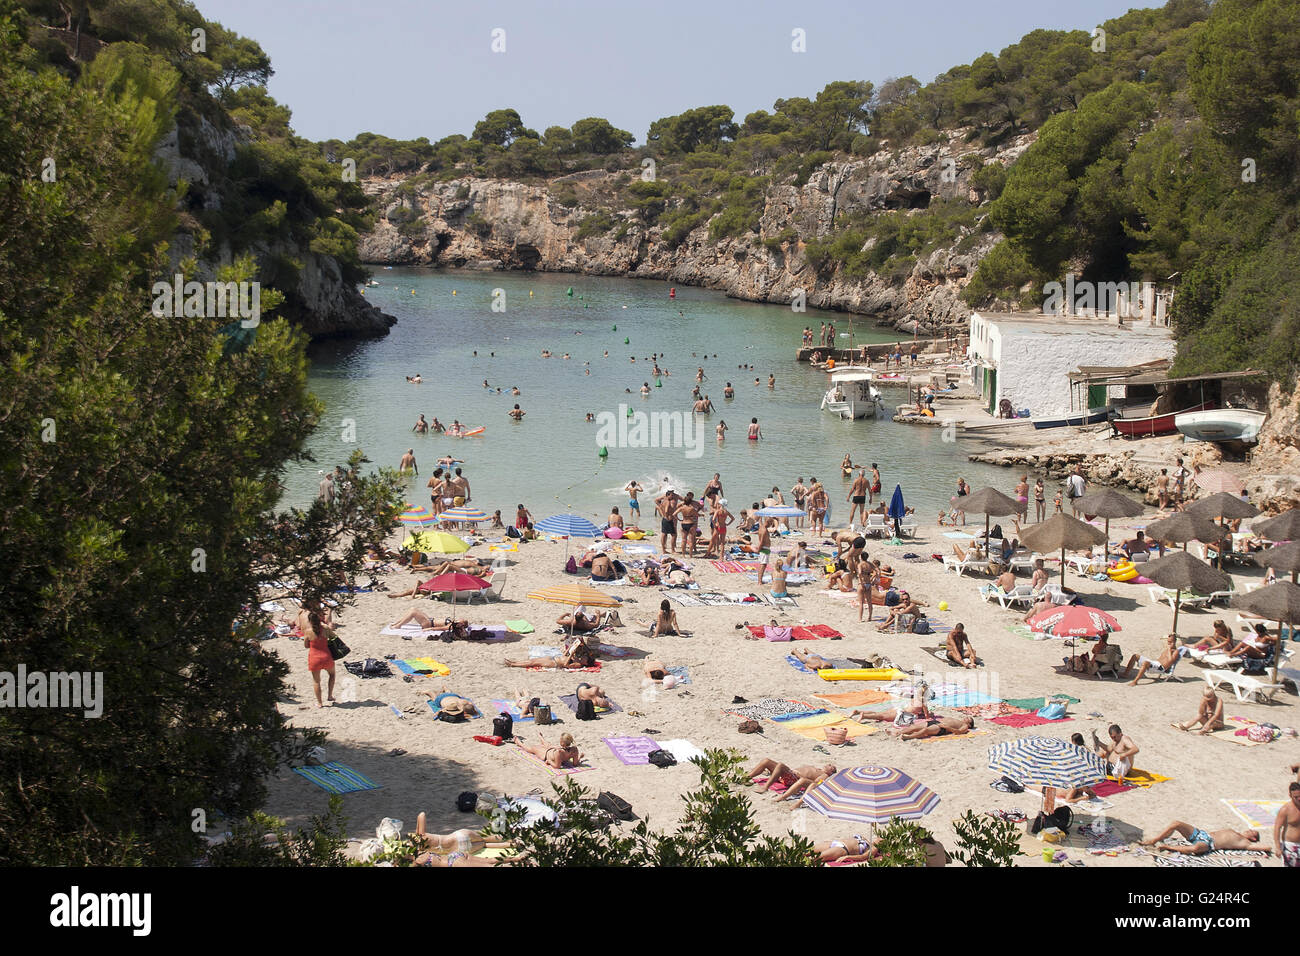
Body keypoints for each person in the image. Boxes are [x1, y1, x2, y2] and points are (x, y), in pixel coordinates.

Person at [1140, 822, 1263, 856]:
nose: (1249, 830)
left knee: (1196, 848)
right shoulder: (1236, 833)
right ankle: (1154, 840)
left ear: (1253, 838)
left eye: (1252, 832)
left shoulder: (1245, 843)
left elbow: (1266, 847)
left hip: (1208, 844)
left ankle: (1168, 847)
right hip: (1201, 834)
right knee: (1176, 824)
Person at [744, 758, 836, 802]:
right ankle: (746, 777)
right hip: (788, 775)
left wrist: (801, 781)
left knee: (780, 765)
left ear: (831, 772)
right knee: (766, 761)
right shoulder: (818, 769)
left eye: (831, 766)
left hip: (793, 779)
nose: (829, 764)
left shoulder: (824, 775)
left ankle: (765, 787)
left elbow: (814, 784)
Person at [304, 611, 336, 707]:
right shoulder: (325, 628)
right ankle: (330, 696)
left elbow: (306, 646)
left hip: (314, 658)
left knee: (316, 681)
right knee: (332, 675)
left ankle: (319, 702)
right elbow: (333, 636)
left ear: (310, 621)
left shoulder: (308, 631)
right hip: (326, 656)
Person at [505, 638, 596, 669]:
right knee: (532, 660)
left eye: (585, 658)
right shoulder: (578, 660)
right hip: (555, 658)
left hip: (554, 663)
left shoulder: (578, 664)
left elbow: (566, 664)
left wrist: (571, 654)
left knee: (533, 663)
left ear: (586, 663)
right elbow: (564, 656)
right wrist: (570, 648)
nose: (584, 657)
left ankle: (513, 664)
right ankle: (514, 662)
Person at [516, 732, 583, 770]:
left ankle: (519, 743)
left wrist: (549, 761)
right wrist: (579, 758)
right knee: (549, 745)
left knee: (532, 748)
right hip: (552, 751)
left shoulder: (559, 752)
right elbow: (575, 764)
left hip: (546, 754)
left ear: (562, 742)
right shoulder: (575, 749)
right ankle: (541, 738)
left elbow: (557, 766)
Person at [1274, 782, 1300, 867]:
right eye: (1296, 797)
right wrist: (1278, 847)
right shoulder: (1286, 809)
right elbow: (1277, 828)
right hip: (1290, 846)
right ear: (1290, 795)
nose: (1299, 799)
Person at [893, 715, 976, 740]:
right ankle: (898, 733)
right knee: (914, 727)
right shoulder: (959, 720)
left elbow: (958, 732)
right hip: (937, 722)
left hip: (942, 728)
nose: (966, 717)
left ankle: (909, 737)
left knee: (925, 730)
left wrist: (947, 727)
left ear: (969, 724)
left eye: (969, 718)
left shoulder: (965, 726)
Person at [655, 488, 680, 554]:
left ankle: (664, 550)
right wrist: (667, 516)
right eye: (671, 495)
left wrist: (662, 511)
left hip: (664, 519)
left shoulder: (663, 501)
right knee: (673, 535)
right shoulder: (668, 502)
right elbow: (666, 510)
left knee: (664, 534)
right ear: (668, 495)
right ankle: (672, 550)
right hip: (668, 520)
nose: (672, 496)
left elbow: (658, 503)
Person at [790, 648, 859, 671]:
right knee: (799, 655)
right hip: (810, 658)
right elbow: (806, 665)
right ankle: (795, 650)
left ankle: (806, 649)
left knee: (810, 654)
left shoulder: (829, 664)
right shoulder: (816, 665)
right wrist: (809, 669)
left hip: (815, 656)